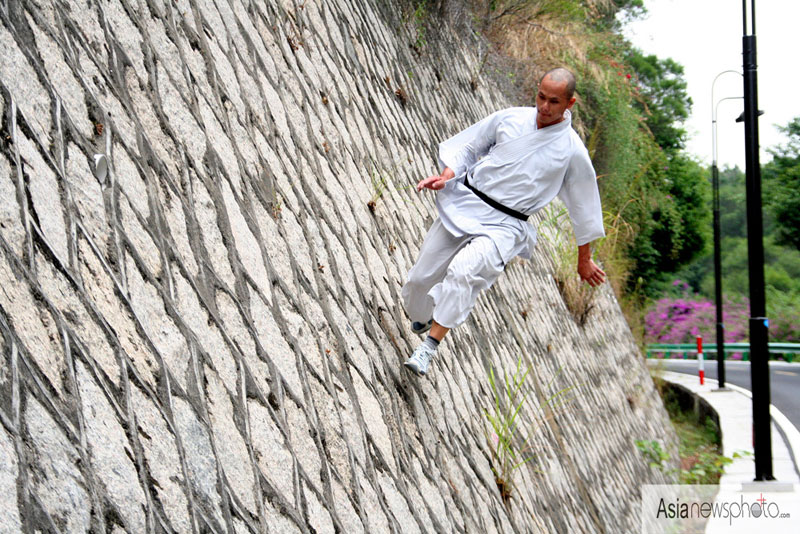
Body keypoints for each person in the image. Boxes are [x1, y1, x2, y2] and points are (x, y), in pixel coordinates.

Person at [401, 67, 607, 377]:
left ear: (570, 104)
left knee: (464, 272)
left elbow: (584, 207)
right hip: (467, 202)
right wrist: (447, 176)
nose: (544, 107)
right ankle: (425, 315)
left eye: (554, 101)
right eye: (540, 96)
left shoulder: (572, 153)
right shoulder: (510, 117)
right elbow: (470, 148)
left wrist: (585, 259)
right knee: (418, 283)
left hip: (506, 225)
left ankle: (428, 347)